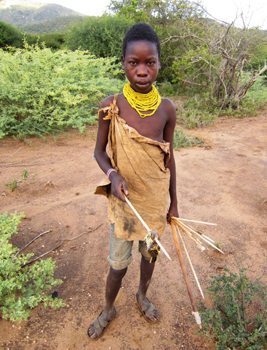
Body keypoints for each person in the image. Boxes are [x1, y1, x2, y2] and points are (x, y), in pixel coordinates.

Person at [88, 23, 179, 339]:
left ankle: (142, 295)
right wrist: (113, 175)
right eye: (134, 63)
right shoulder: (110, 106)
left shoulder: (167, 109)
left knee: (149, 256)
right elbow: (99, 153)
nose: (142, 70)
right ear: (124, 63)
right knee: (117, 264)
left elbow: (170, 158)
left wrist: (174, 203)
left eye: (149, 62)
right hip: (124, 204)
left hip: (154, 204)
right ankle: (108, 307)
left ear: (158, 63)